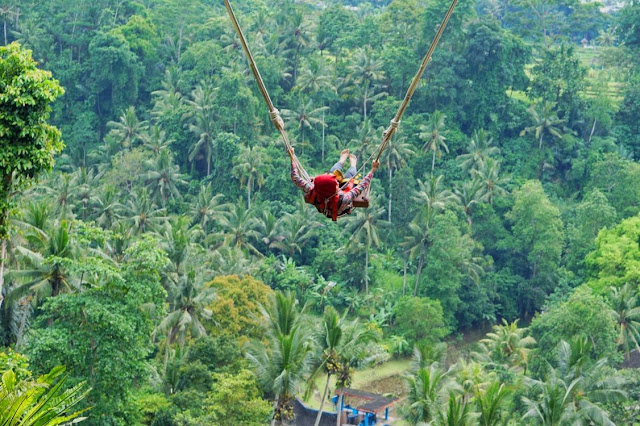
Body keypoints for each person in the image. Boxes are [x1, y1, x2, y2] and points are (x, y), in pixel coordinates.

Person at [289, 147, 379, 221]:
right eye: (336, 183)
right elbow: (361, 186)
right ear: (335, 188)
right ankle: (353, 165)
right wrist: (373, 170)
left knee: (333, 173)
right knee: (350, 179)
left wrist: (292, 159)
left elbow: (296, 178)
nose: (337, 182)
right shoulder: (344, 198)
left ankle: (341, 161)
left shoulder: (313, 189)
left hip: (324, 199)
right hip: (340, 209)